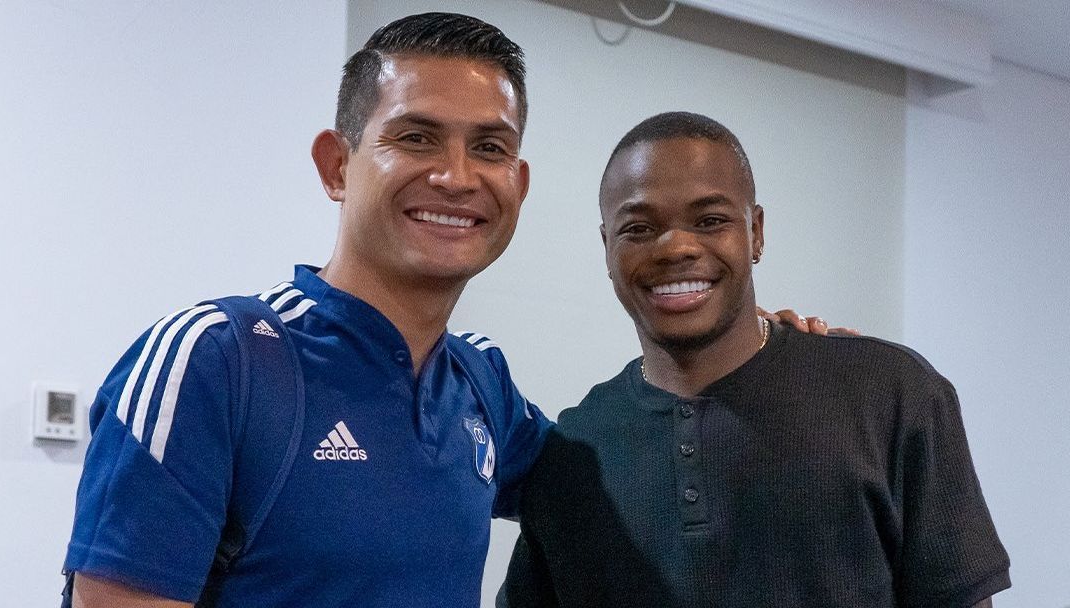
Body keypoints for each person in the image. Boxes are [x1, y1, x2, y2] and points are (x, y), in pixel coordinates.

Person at [62, 13, 829, 608]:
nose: (458, 177)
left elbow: (630, 469)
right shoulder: (216, 358)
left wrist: (774, 351)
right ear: (337, 165)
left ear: (518, 185)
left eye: (490, 148)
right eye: (417, 137)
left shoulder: (481, 383)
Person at [498, 112, 1010, 608]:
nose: (676, 247)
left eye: (710, 220)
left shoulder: (893, 394)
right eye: (639, 228)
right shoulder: (572, 450)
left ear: (756, 232)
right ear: (606, 246)